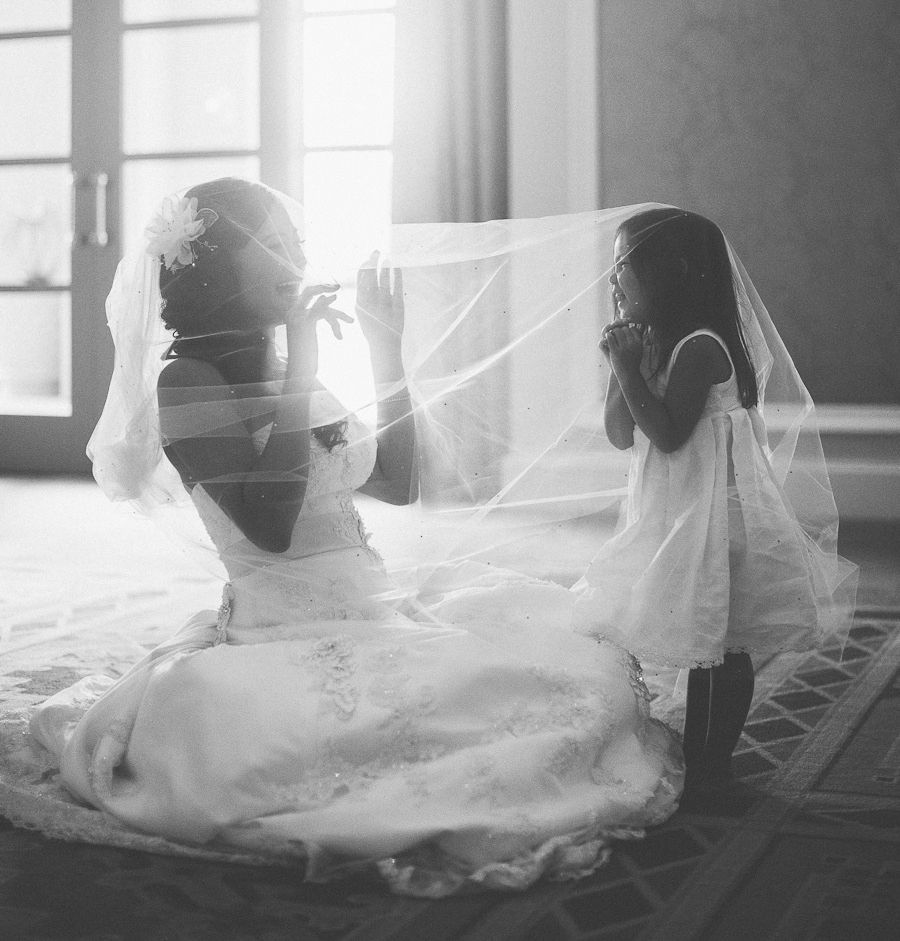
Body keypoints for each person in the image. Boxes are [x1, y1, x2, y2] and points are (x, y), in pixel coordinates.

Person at [20, 180, 683, 897]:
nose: (296, 259)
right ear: (218, 263)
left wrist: (383, 348)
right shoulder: (188, 379)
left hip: (375, 607)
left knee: (561, 675)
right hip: (278, 626)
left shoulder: (281, 366)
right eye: (275, 244)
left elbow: (397, 480)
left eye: (298, 244)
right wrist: (304, 362)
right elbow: (270, 528)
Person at [571, 208, 858, 804]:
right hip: (676, 513)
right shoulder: (653, 340)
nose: (613, 277)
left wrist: (628, 368)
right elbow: (622, 434)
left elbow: (669, 433)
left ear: (672, 271)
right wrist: (623, 368)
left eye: (625, 264)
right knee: (698, 631)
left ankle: (712, 763)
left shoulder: (701, 346)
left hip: (716, 516)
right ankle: (699, 755)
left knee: (721, 643)